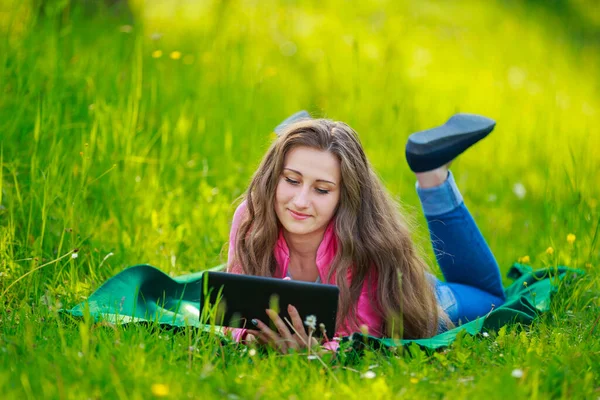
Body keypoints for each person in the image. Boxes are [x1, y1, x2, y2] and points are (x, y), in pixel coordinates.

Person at [226, 113, 506, 353]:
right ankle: (311, 133)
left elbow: (362, 336)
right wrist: (247, 337)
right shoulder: (252, 217)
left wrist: (314, 350)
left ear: (344, 196)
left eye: (322, 189)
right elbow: (230, 305)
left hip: (410, 296)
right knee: (320, 150)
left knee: (490, 298)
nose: (300, 201)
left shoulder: (363, 239)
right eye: (291, 179)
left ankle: (432, 174)